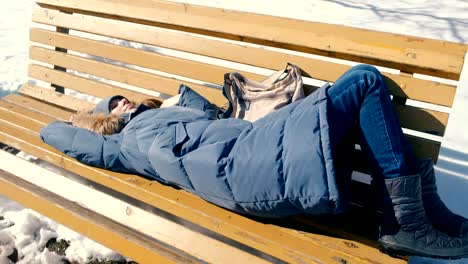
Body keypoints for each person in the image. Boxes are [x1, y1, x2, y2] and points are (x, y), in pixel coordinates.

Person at [40, 65, 468, 259]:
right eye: (112, 106)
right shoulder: (122, 143)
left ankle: (424, 213)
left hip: (251, 152)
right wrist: (85, 120)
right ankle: (406, 222)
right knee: (363, 82)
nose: (122, 102)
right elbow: (58, 134)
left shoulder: (167, 114)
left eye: (122, 97)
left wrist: (175, 101)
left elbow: (211, 120)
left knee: (359, 86)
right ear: (104, 121)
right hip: (244, 169)